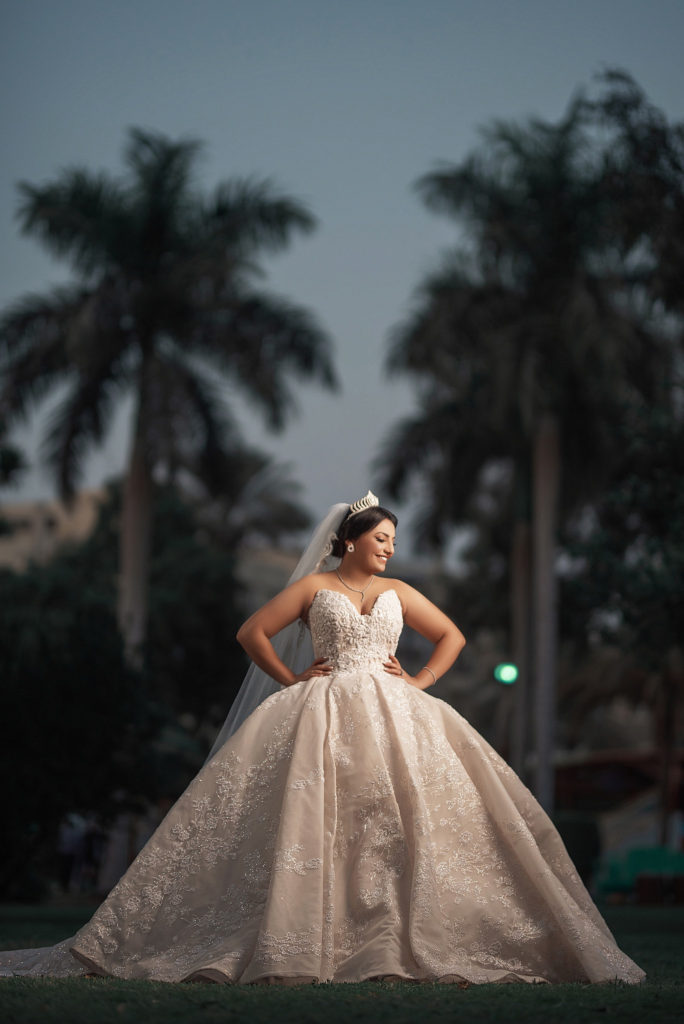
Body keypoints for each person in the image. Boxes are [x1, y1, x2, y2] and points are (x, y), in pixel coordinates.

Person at [0, 493, 644, 985]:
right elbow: (253, 631)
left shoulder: (397, 590)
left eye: (394, 540)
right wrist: (288, 678)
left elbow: (452, 636)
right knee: (314, 821)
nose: (390, 549)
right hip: (320, 708)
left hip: (397, 711)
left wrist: (419, 681)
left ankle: (390, 935)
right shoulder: (313, 587)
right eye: (382, 538)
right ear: (351, 539)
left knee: (394, 821)